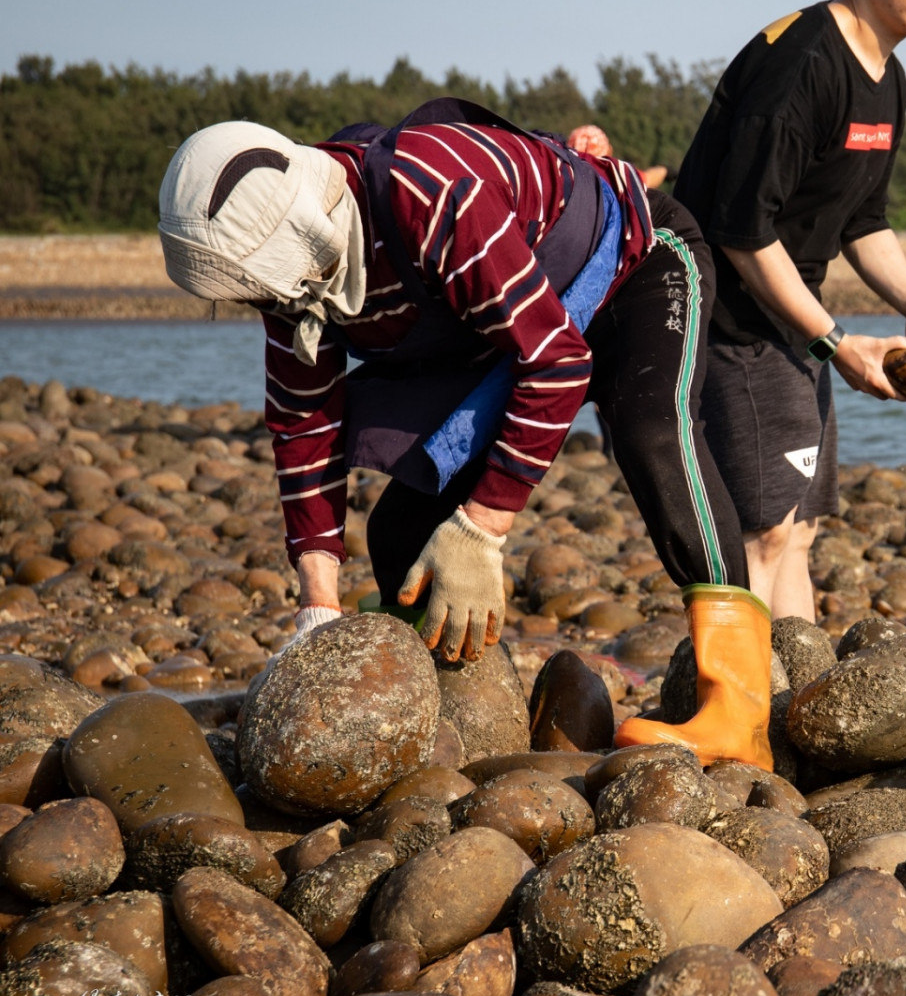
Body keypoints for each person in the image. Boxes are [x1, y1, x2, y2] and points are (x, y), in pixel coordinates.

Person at [155, 102, 771, 767]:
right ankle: (458, 721)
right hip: (521, 319)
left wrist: (483, 529)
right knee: (400, 539)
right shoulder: (289, 287)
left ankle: (738, 712)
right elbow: (305, 428)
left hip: (637, 258)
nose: (261, 308)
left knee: (652, 431)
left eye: (255, 292)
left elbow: (559, 363)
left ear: (304, 235)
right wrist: (318, 612)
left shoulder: (431, 195)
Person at [672, 0, 906, 621]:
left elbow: (864, 220)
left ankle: (793, 706)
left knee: (796, 531)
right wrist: (836, 343)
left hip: (792, 321)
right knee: (762, 532)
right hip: (729, 321)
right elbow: (741, 233)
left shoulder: (888, 78)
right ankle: (739, 714)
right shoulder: (802, 64)